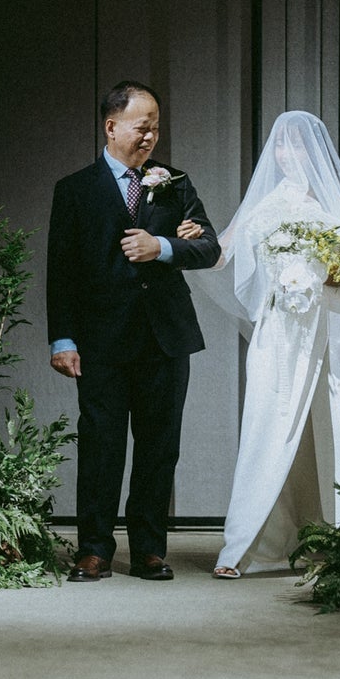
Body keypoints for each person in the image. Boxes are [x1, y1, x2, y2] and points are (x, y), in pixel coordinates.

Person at [191, 111, 340, 578]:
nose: (288, 155)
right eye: (281, 146)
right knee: (267, 423)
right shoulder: (265, 204)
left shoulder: (339, 202)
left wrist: (322, 269)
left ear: (316, 155)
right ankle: (248, 546)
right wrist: (183, 239)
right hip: (281, 330)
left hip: (333, 325)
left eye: (298, 147)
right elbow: (220, 254)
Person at [46, 81, 221, 581]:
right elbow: (62, 272)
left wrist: (162, 246)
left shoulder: (174, 182)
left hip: (165, 337)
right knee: (100, 444)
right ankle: (95, 547)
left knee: (159, 445)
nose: (151, 137)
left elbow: (208, 247)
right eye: (143, 126)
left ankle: (148, 547)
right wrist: (62, 338)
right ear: (112, 126)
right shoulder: (74, 189)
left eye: (156, 128)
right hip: (101, 338)